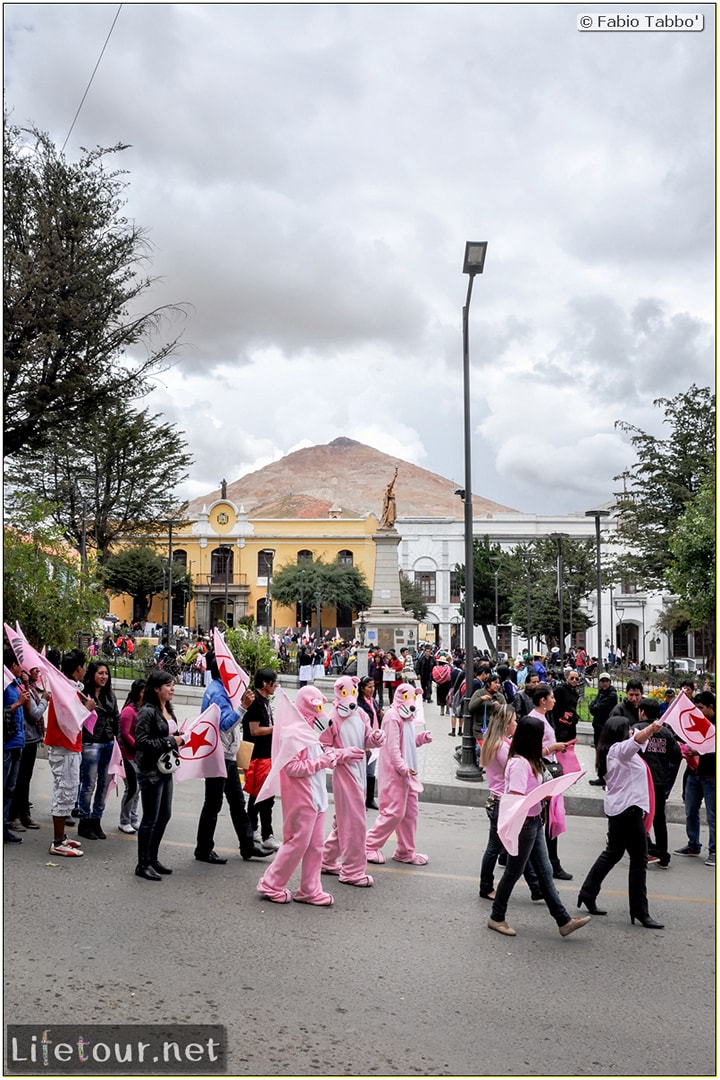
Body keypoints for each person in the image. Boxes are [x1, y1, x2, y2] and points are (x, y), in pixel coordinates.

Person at [487, 716, 591, 938]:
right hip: (525, 823)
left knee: (545, 871)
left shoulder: (530, 759)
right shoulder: (519, 763)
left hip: (534, 821)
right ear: (531, 738)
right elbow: (515, 797)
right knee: (514, 872)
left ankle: (563, 920)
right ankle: (497, 917)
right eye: (540, 737)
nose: (543, 741)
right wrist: (538, 797)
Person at [577, 712, 667, 928]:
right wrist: (649, 730)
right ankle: (639, 910)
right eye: (628, 729)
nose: (631, 731)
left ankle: (588, 892)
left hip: (621, 810)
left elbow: (635, 739)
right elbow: (637, 740)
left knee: (613, 853)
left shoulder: (611, 750)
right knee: (639, 859)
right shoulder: (619, 751)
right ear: (620, 734)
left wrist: (649, 729)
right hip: (628, 811)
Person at [194, 655, 269, 864]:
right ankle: (203, 848)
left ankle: (246, 845)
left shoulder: (222, 690)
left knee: (236, 802)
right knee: (214, 803)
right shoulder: (218, 693)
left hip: (226, 754)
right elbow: (225, 724)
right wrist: (243, 707)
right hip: (218, 756)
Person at [321, 676, 384, 886]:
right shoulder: (332, 718)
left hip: (360, 773)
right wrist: (343, 754)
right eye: (345, 692)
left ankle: (327, 859)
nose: (350, 696)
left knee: (344, 822)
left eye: (352, 691)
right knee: (355, 824)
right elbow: (323, 749)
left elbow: (366, 737)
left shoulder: (359, 714)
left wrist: (375, 738)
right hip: (345, 775)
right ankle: (352, 871)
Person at [478, 704, 542, 903]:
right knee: (497, 847)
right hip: (502, 801)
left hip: (498, 799)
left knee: (515, 848)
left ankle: (536, 886)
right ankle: (486, 886)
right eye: (514, 720)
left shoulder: (496, 741)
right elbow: (515, 768)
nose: (516, 723)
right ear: (506, 724)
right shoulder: (502, 746)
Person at [366, 683, 433, 867]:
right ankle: (369, 845)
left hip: (409, 773)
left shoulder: (408, 718)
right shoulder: (392, 717)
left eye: (411, 697)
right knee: (393, 813)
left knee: (410, 813)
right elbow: (393, 749)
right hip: (395, 773)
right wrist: (403, 768)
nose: (409, 702)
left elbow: (408, 743)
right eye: (406, 697)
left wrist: (422, 739)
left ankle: (405, 851)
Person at [134, 669, 186, 880]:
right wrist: (171, 741)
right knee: (150, 818)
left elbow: (167, 734)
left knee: (164, 815)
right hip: (151, 770)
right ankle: (142, 863)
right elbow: (141, 742)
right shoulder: (147, 711)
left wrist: (178, 737)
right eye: (168, 685)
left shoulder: (167, 709)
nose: (172, 688)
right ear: (156, 689)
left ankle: (152, 858)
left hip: (166, 769)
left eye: (172, 684)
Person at [44, 649, 93, 858]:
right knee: (64, 792)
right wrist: (87, 709)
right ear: (78, 669)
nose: (85, 671)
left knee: (68, 791)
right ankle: (57, 841)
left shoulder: (66, 688)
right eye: (84, 667)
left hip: (69, 747)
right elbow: (70, 721)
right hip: (63, 746)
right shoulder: (64, 690)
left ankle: (62, 837)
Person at [529, 683, 573, 880]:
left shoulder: (543, 719)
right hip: (542, 771)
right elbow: (529, 751)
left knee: (548, 819)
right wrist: (552, 748)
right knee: (546, 820)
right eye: (552, 697)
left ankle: (547, 862)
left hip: (548, 768)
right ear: (542, 701)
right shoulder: (534, 721)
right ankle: (550, 864)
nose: (554, 700)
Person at [635, 697, 681, 869]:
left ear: (643, 712)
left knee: (639, 816)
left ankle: (646, 850)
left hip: (641, 781)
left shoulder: (637, 729)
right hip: (660, 781)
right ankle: (663, 854)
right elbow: (676, 756)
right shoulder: (666, 732)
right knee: (659, 819)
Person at [77, 661, 120, 841]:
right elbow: (76, 717)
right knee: (88, 785)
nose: (104, 676)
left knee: (104, 785)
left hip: (108, 743)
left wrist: (116, 738)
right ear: (93, 674)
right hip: (90, 743)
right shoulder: (82, 695)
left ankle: (96, 820)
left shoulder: (110, 695)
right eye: (100, 673)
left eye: (106, 673)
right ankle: (84, 821)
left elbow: (116, 717)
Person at [675, 691, 715, 866]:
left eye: (700, 708)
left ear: (711, 707)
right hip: (693, 773)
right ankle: (693, 844)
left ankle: (714, 850)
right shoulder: (695, 722)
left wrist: (700, 751)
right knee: (690, 810)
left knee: (713, 815)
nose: (697, 712)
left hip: (712, 776)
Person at [242, 668, 280, 852]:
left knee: (258, 796)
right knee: (264, 796)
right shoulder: (255, 702)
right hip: (257, 755)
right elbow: (255, 730)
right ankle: (267, 834)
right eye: (274, 682)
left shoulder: (263, 700)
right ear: (265, 683)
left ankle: (252, 828)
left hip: (265, 754)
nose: (276, 685)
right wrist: (276, 728)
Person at [8, 666, 48, 832]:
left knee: (25, 779)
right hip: (24, 739)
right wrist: (45, 700)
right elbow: (34, 714)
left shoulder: (30, 688)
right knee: (19, 780)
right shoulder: (20, 688)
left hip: (32, 739)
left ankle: (24, 813)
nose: (37, 674)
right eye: (34, 671)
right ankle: (14, 815)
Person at [4, 649, 30, 844]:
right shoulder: (5, 686)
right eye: (20, 664)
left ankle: (5, 824)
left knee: (10, 787)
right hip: (6, 744)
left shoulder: (17, 685)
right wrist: (17, 704)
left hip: (17, 743)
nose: (22, 667)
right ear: (12, 666)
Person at [117, 679, 145, 833]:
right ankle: (124, 820)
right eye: (143, 691)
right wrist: (137, 745)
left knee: (138, 788)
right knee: (132, 787)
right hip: (127, 755)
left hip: (139, 756)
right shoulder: (129, 711)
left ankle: (133, 817)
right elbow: (125, 733)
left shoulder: (144, 709)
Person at [588, 674, 618, 784]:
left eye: (606, 681)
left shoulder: (612, 695)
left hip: (606, 727)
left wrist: (594, 707)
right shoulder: (601, 693)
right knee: (599, 752)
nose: (604, 683)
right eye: (602, 681)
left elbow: (598, 708)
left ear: (610, 682)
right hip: (598, 726)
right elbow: (592, 707)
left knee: (605, 752)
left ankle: (605, 776)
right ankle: (601, 775)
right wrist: (594, 707)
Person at [357, 676, 382, 810]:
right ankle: (360, 798)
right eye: (369, 687)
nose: (372, 689)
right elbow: (360, 725)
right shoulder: (359, 704)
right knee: (362, 771)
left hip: (374, 740)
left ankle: (370, 799)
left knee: (371, 771)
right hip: (365, 741)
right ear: (362, 688)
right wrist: (365, 743)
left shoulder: (373, 701)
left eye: (373, 686)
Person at [432, 652, 453, 718]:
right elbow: (451, 676)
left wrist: (437, 681)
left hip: (439, 685)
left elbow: (432, 676)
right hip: (447, 684)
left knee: (441, 697)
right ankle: (447, 709)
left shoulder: (435, 668)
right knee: (447, 696)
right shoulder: (448, 668)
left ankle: (442, 710)